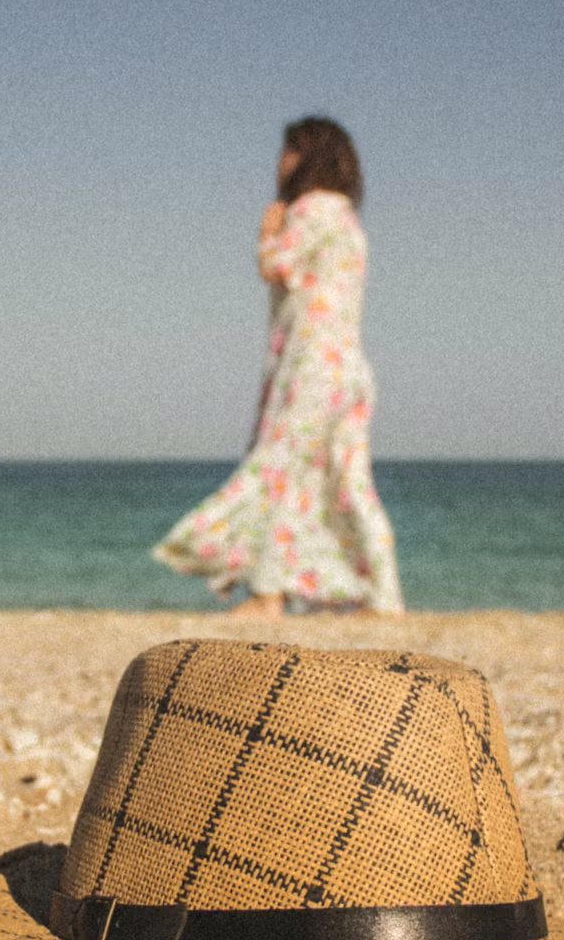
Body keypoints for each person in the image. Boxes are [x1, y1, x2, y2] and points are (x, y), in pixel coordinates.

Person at [153, 117, 405, 616]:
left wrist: (267, 233)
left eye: (289, 151)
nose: (280, 162)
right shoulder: (347, 219)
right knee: (349, 479)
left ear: (309, 158)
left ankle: (268, 590)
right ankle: (382, 594)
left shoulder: (309, 211)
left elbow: (276, 267)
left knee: (280, 467)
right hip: (348, 365)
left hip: (312, 362)